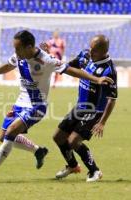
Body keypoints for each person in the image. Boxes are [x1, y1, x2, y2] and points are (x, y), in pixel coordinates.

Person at [0, 30, 113, 182]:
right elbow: (7, 66)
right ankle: (38, 151)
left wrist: (96, 79)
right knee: (3, 136)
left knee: (12, 131)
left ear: (29, 47)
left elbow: (72, 71)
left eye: (18, 48)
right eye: (15, 48)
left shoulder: (46, 60)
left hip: (37, 106)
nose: (15, 51)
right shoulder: (19, 56)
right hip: (20, 103)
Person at [53, 35, 117, 182]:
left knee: (74, 141)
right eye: (91, 47)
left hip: (94, 111)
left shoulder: (109, 70)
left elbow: (112, 99)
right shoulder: (86, 55)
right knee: (58, 137)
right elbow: (70, 66)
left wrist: (102, 122)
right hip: (80, 106)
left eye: (94, 50)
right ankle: (72, 166)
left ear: (103, 51)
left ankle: (95, 171)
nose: (90, 51)